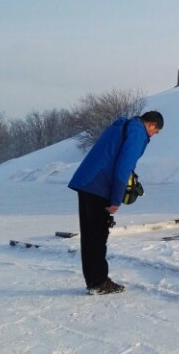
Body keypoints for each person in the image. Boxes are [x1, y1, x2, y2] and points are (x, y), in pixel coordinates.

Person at [68, 110, 164, 295]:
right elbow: (123, 167)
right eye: (155, 131)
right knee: (97, 236)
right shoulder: (137, 133)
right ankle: (99, 282)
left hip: (87, 182)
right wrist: (115, 200)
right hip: (98, 186)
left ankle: (94, 280)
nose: (153, 135)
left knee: (89, 236)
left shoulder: (122, 126)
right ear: (151, 125)